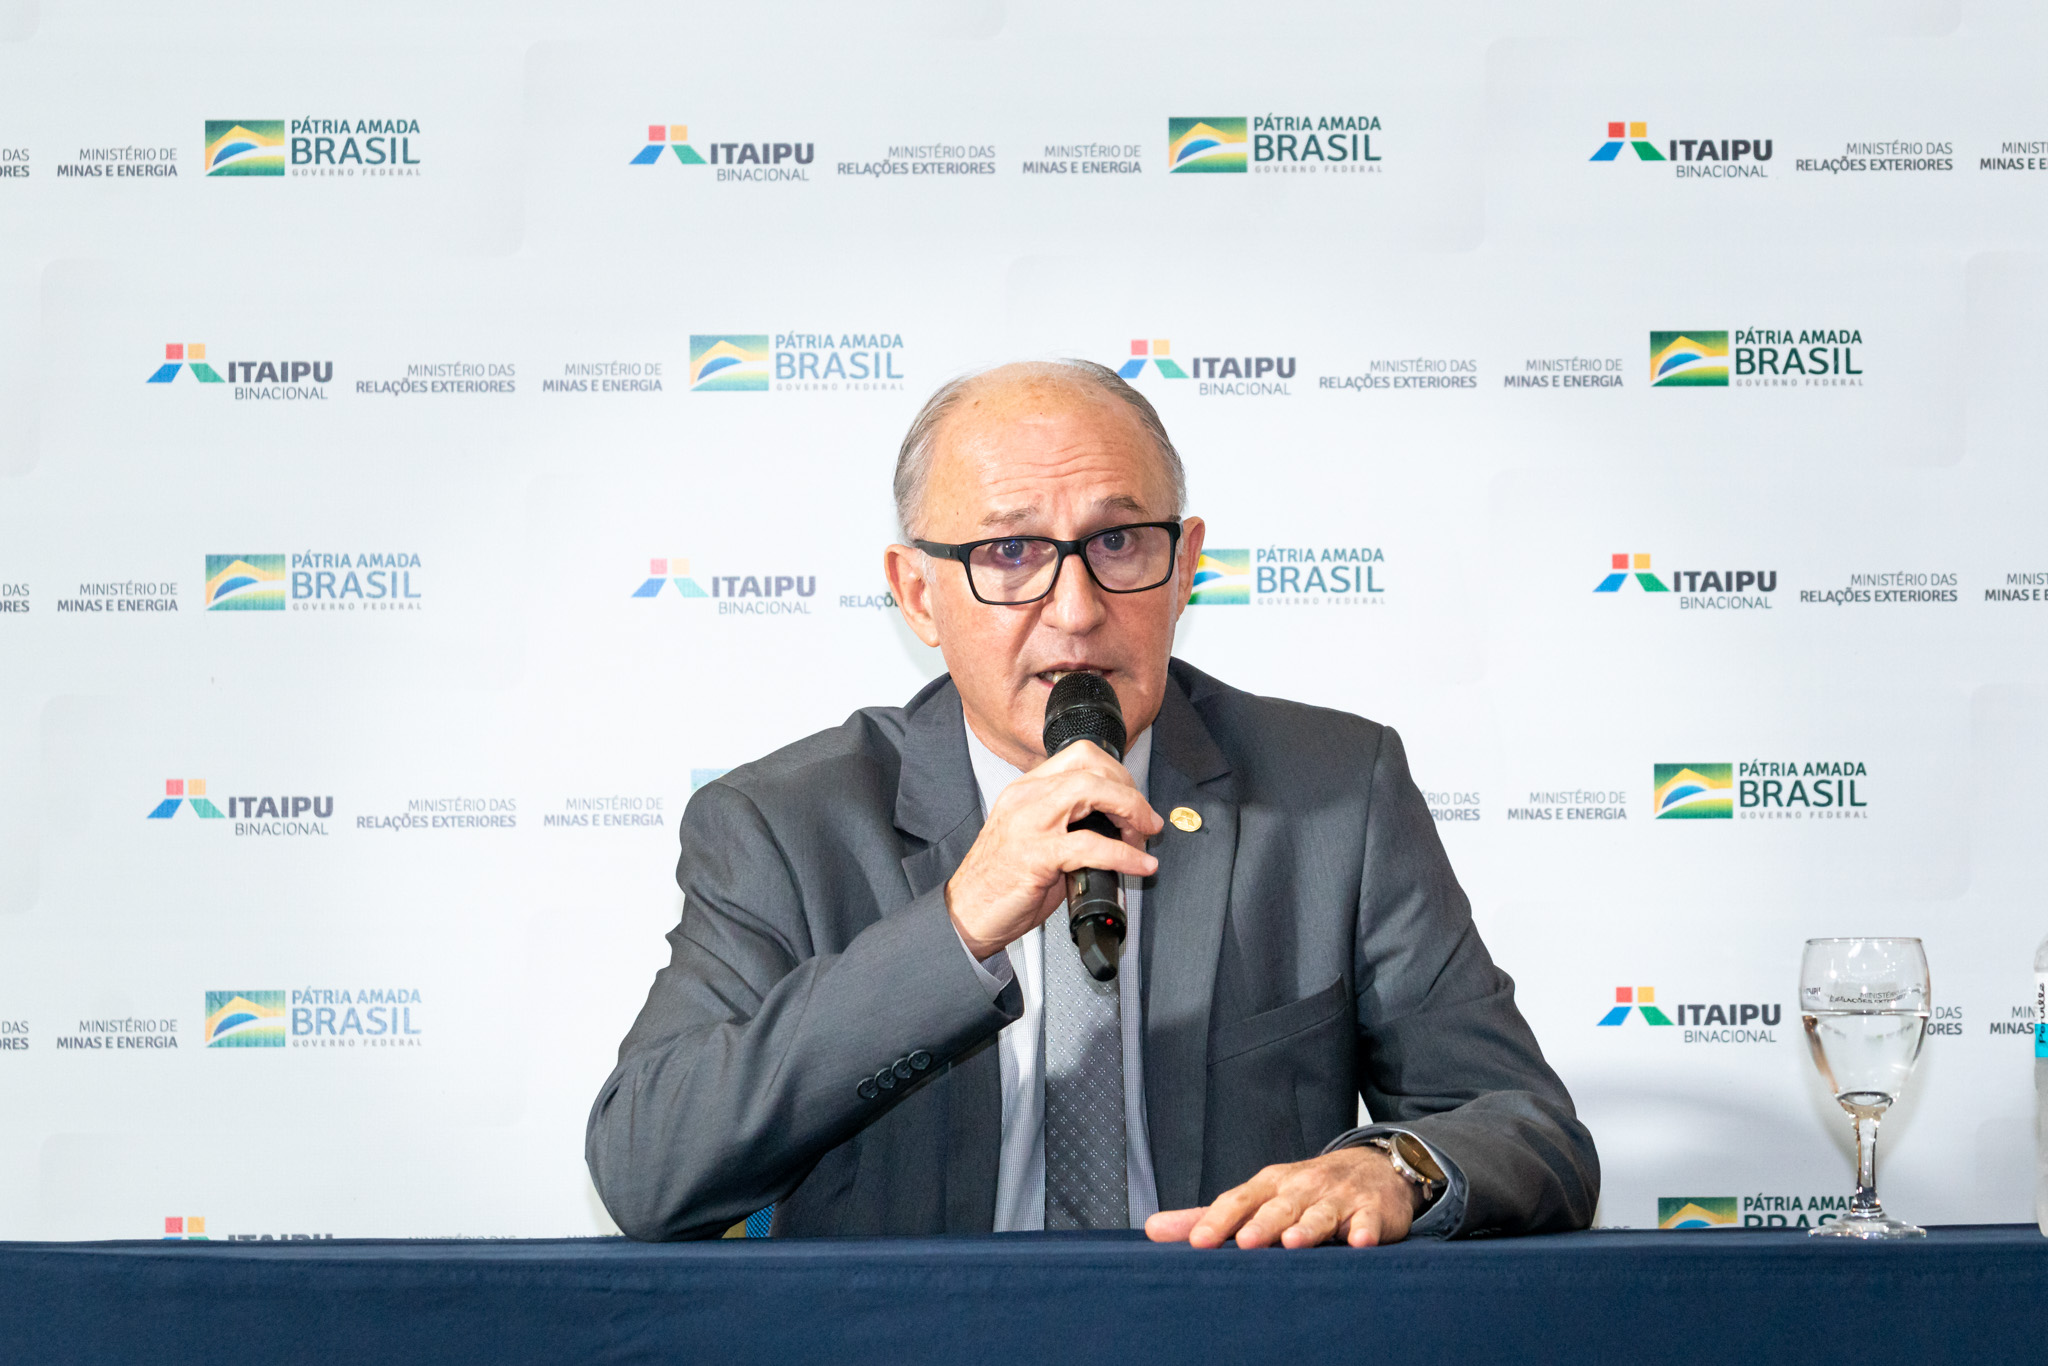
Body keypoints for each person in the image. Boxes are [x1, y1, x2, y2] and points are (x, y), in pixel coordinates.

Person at [586, 360, 1598, 1246]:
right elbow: (647, 1166)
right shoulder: (784, 823)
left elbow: (1524, 1128)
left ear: (1185, 561)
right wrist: (954, 926)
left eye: (1117, 543)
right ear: (915, 592)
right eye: (1010, 553)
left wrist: (1396, 1169)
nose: (1075, 611)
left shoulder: (1334, 792)